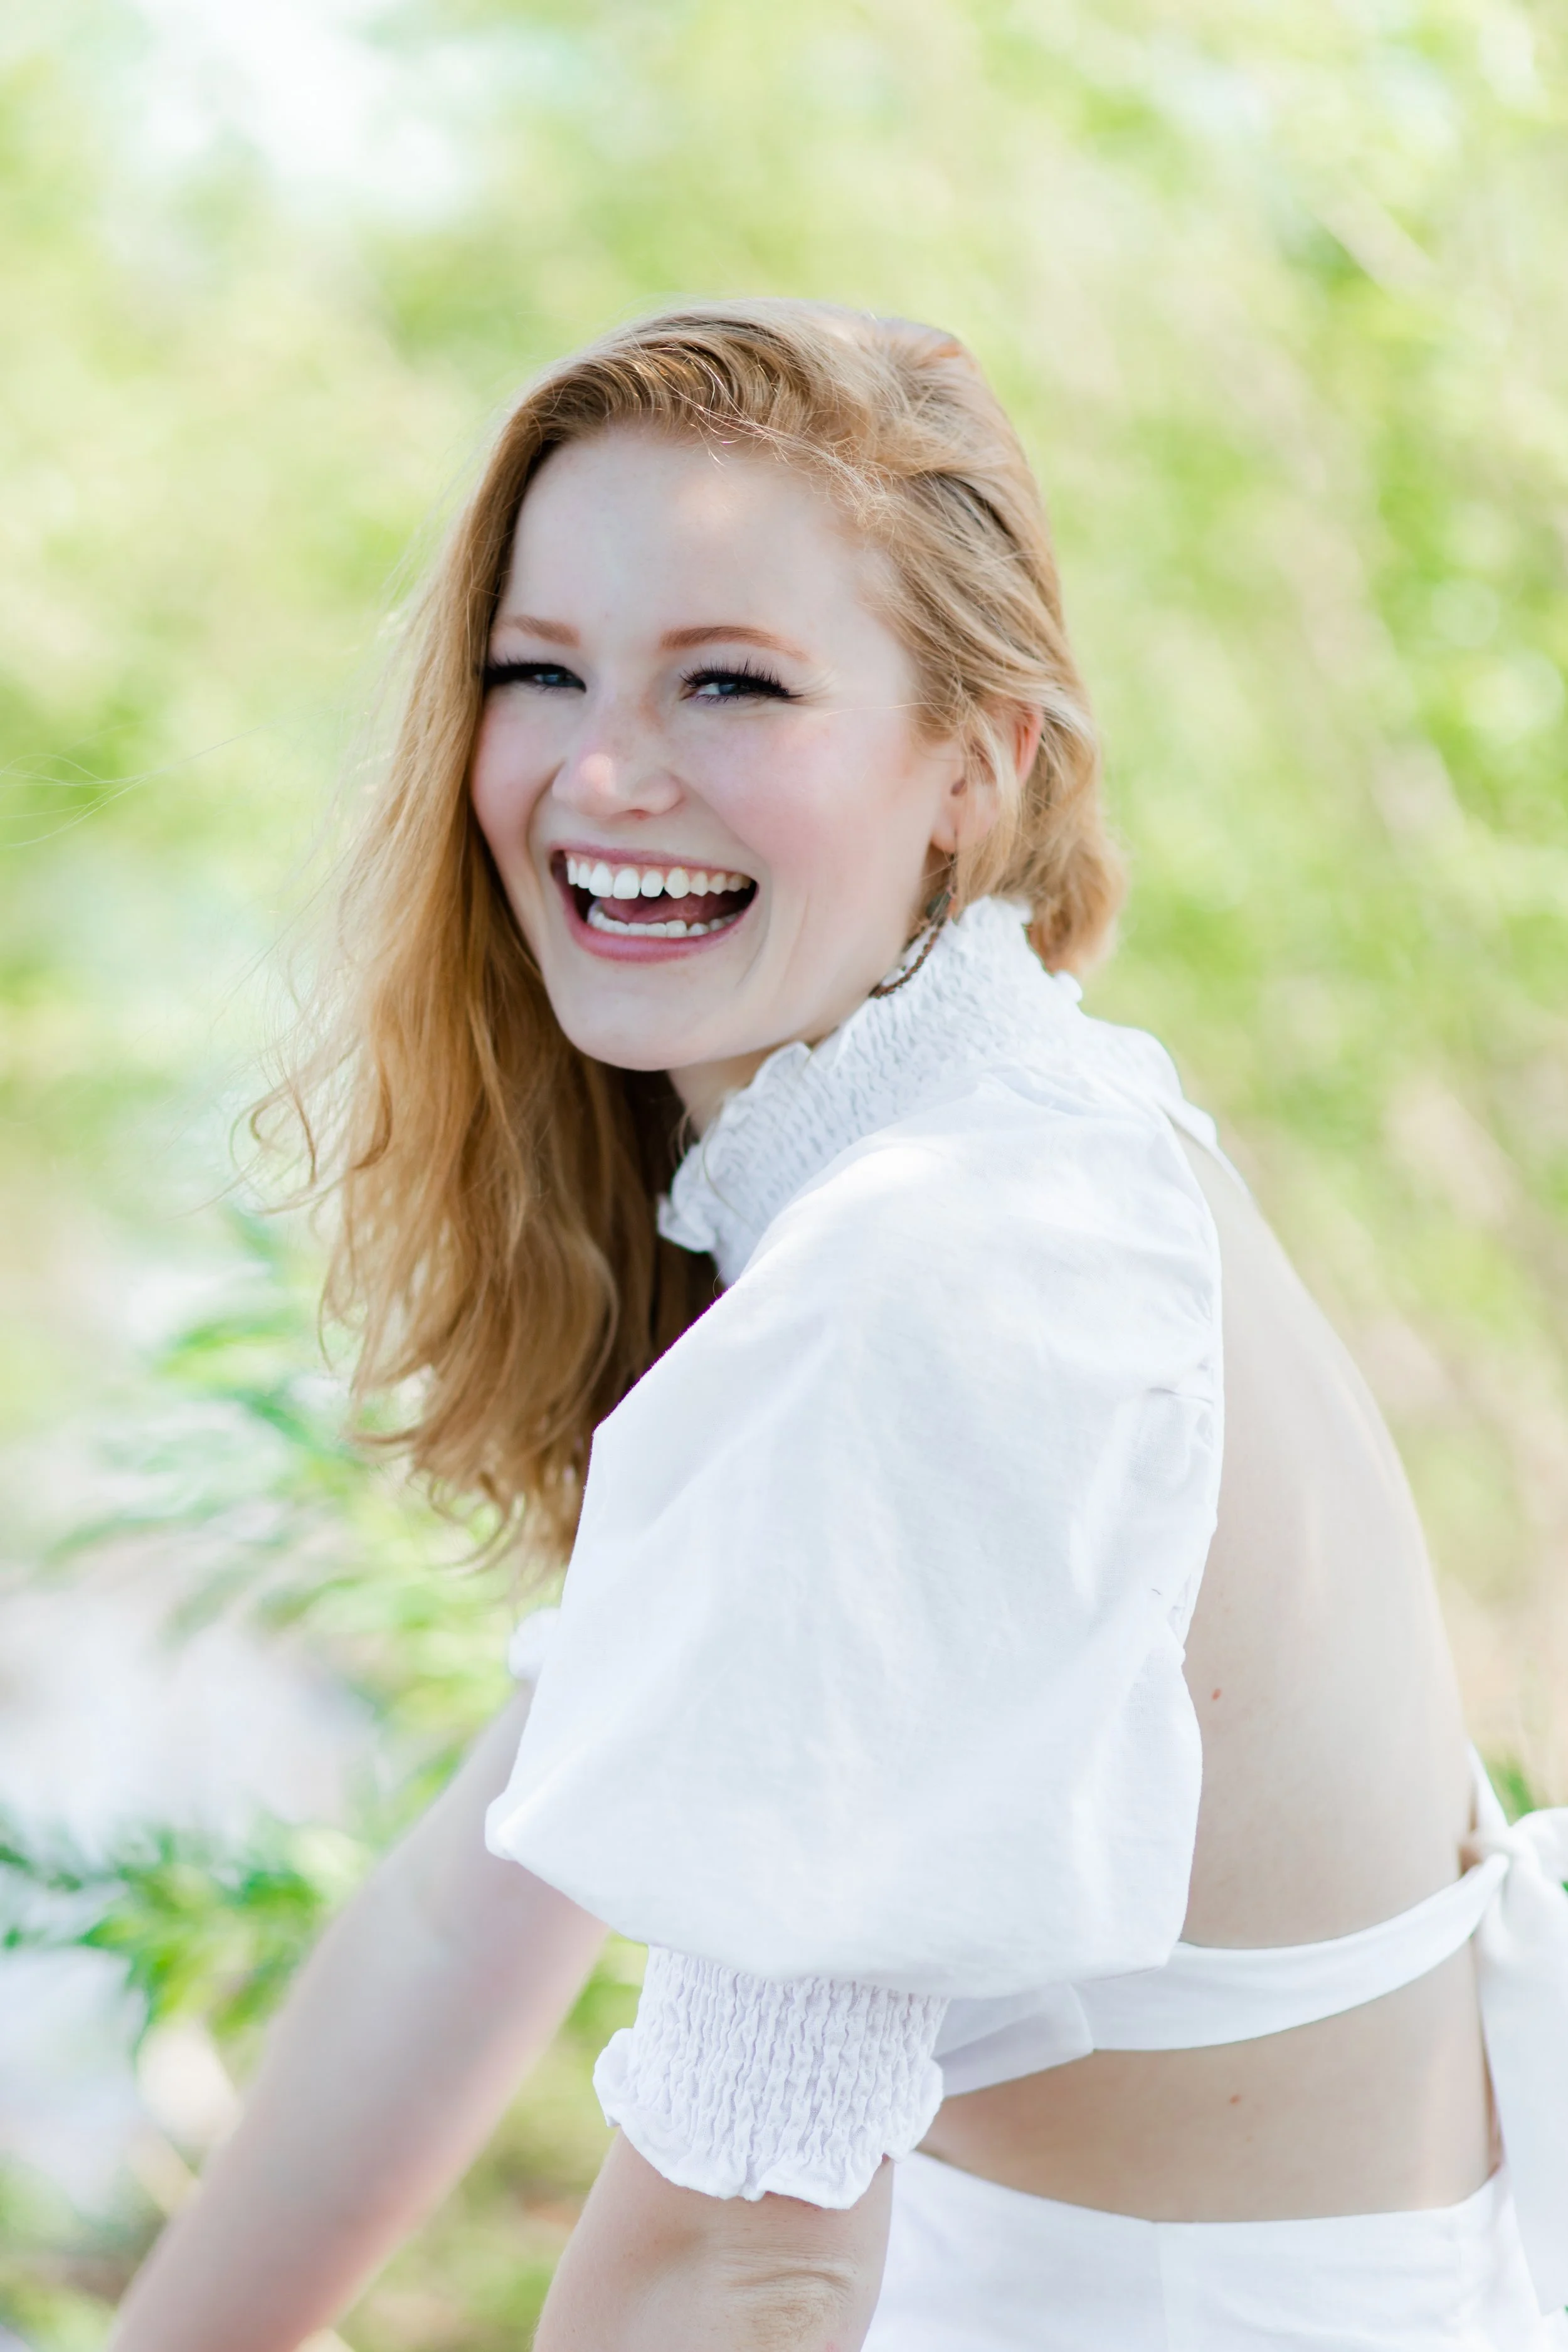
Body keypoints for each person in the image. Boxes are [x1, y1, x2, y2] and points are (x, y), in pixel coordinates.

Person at [112, 301, 1568, 2352]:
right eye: (540, 672)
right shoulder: (989, 1147)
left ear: (974, 767)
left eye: (731, 682)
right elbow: (469, 1909)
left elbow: (748, 2252)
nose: (602, 769)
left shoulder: (951, 1264)